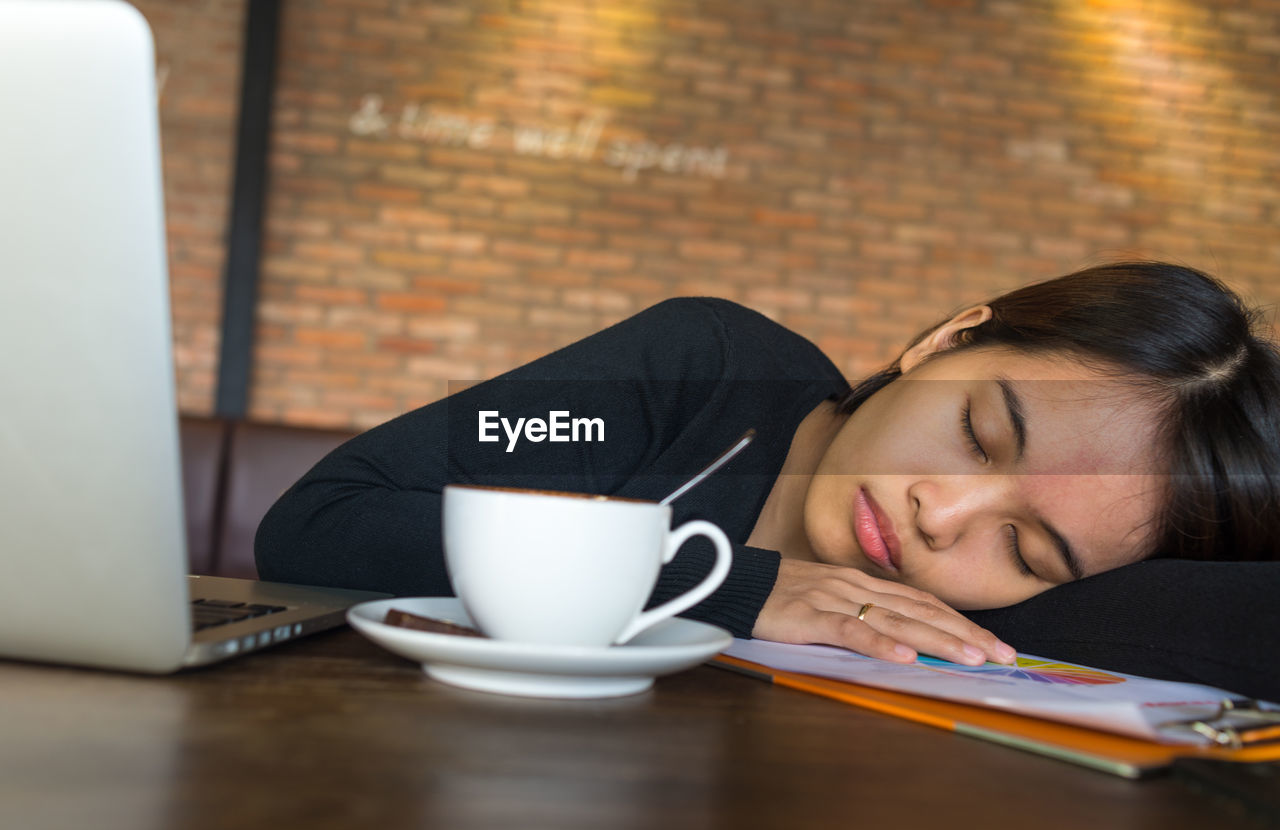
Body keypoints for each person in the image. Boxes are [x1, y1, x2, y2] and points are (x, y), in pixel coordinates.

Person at [255, 261, 1280, 698]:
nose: (942, 512)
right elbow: (323, 519)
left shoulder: (989, 631)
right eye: (976, 433)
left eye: (1023, 548)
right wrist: (737, 584)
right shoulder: (696, 367)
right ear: (942, 339)